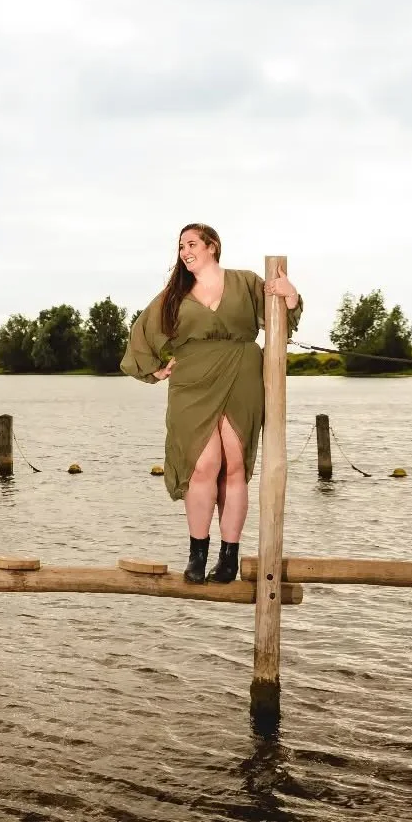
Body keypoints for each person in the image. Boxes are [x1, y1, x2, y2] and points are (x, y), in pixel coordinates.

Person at [121, 223, 301, 584]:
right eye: (181, 246)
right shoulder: (174, 295)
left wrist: (290, 295)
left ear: (212, 246)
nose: (185, 251)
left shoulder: (246, 282)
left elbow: (280, 322)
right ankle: (197, 554)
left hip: (242, 377)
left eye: (191, 244)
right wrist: (154, 370)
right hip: (191, 384)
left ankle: (229, 557)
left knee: (235, 467)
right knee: (203, 466)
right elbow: (141, 334)